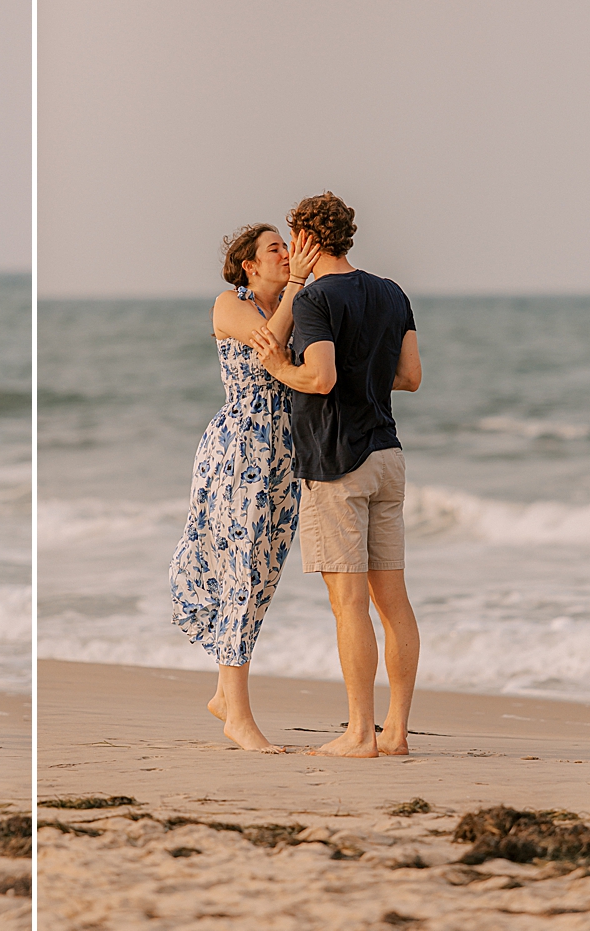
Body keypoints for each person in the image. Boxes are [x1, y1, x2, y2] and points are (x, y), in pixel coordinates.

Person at [252, 191, 422, 757]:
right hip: (387, 456)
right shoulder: (393, 292)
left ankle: (358, 735)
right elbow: (411, 375)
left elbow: (318, 378)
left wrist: (278, 365)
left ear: (305, 240)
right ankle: (394, 733)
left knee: (348, 604)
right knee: (392, 601)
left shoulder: (315, 298)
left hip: (336, 462)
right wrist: (365, 378)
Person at [168, 222, 320, 750]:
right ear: (250, 265)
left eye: (288, 247)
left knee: (260, 574)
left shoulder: (296, 307)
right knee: (241, 572)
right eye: (275, 249)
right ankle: (238, 716)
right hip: (240, 450)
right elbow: (267, 349)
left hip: (285, 452)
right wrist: (297, 285)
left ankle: (221, 694)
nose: (286, 254)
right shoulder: (228, 305)